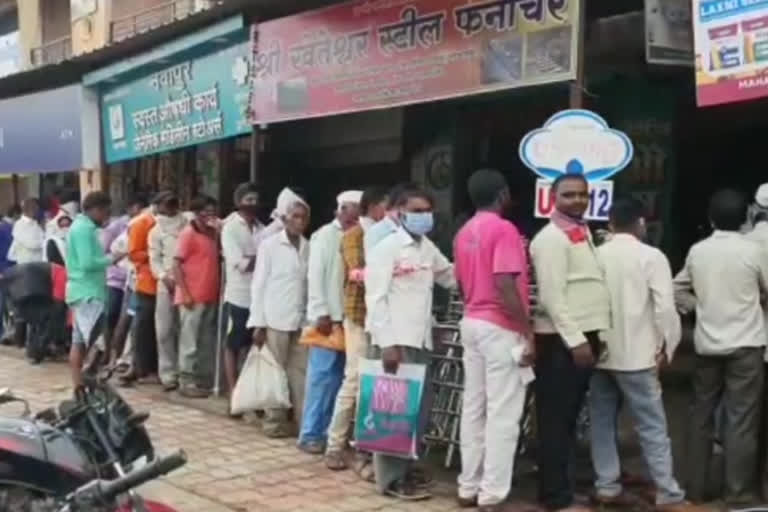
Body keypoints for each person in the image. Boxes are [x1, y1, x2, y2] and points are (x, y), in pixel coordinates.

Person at [590, 198, 693, 511]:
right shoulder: (652, 257)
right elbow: (664, 307)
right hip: (638, 355)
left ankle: (606, 487)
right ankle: (667, 492)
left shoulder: (595, 255)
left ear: (610, 224)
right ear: (641, 223)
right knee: (652, 425)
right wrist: (667, 347)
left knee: (602, 421)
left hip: (600, 354)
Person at [675, 189, 768, 506]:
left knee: (701, 415)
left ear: (710, 218)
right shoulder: (754, 252)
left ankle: (696, 489)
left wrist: (699, 307)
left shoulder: (698, 251)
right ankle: (738, 493)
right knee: (741, 421)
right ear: (747, 218)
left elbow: (678, 288)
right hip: (747, 346)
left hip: (707, 346)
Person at [365, 184, 455, 501]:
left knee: (415, 412)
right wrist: (387, 343)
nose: (424, 217)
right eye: (417, 211)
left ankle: (405, 469)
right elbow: (375, 300)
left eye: (427, 211)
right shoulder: (386, 249)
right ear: (400, 212)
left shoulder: (427, 247)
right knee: (391, 413)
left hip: (420, 339)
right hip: (395, 341)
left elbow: (450, 276)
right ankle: (390, 481)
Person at [453, 170, 535, 512]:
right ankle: (492, 495)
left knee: (473, 407)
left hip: (471, 321)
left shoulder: (462, 232)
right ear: (502, 195)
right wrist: (527, 331)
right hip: (500, 327)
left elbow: (460, 283)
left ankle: (467, 487)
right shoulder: (504, 230)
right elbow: (505, 283)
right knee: (503, 412)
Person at [529, 173, 610, 512]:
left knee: (567, 420)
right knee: (555, 421)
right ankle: (555, 497)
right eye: (569, 195)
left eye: (582, 194)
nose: (577, 200)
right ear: (553, 198)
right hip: (562, 341)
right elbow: (551, 297)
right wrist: (576, 341)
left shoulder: (580, 232)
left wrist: (596, 335)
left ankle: (561, 489)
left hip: (581, 336)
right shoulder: (550, 239)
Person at [324, 186, 390, 470]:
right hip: (360, 316)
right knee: (354, 380)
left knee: (372, 383)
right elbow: (357, 271)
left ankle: (364, 447)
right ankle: (335, 445)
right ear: (374, 206)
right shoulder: (354, 236)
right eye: (387, 206)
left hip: (381, 318)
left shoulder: (387, 235)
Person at [298, 190, 362, 454]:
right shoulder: (324, 236)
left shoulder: (360, 236)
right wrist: (320, 312)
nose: (357, 213)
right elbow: (315, 277)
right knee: (322, 378)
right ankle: (310, 433)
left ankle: (330, 433)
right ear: (342, 209)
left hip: (350, 319)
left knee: (342, 381)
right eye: (353, 208)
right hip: (328, 318)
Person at [248, 198, 311, 438]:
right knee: (275, 372)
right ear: (284, 219)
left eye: (304, 217)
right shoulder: (270, 245)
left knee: (300, 372)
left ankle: (303, 422)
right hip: (275, 317)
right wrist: (258, 323)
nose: (300, 222)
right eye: (295, 216)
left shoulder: (308, 246)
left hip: (301, 319)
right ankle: (274, 422)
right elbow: (259, 285)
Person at [65, 191, 114, 389]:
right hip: (88, 293)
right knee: (97, 343)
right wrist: (112, 258)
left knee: (79, 342)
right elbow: (87, 263)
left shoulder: (79, 227)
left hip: (80, 291)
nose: (106, 217)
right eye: (105, 212)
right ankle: (91, 385)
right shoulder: (84, 229)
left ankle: (78, 387)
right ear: (96, 209)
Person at [174, 195, 221, 398]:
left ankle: (201, 379)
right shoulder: (188, 234)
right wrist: (185, 293)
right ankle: (186, 380)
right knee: (190, 340)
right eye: (206, 211)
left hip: (209, 294)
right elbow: (176, 264)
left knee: (205, 339)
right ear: (197, 212)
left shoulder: (213, 234)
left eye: (212, 211)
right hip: (192, 295)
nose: (209, 215)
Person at [221, 183, 264, 396]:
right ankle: (232, 390)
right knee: (233, 344)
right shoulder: (230, 228)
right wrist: (262, 259)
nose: (252, 204)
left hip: (257, 297)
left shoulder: (262, 228)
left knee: (250, 345)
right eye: (248, 200)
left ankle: (245, 391)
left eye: (255, 200)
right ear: (238, 203)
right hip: (237, 295)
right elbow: (240, 263)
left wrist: (257, 260)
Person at [101, 195, 147, 364]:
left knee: (128, 319)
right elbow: (107, 250)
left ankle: (119, 357)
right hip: (115, 279)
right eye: (138, 207)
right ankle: (108, 354)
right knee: (112, 317)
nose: (140, 211)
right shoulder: (120, 227)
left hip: (134, 281)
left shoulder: (144, 224)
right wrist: (119, 261)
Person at [148, 192, 187, 392]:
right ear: (159, 206)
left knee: (185, 329)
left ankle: (184, 371)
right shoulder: (155, 230)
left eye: (173, 202)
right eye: (166, 203)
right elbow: (153, 259)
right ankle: (168, 373)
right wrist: (164, 277)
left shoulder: (187, 222)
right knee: (164, 330)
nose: (171, 206)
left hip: (188, 280)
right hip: (166, 282)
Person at [127, 193, 161, 383]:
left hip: (164, 283)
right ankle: (141, 368)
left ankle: (152, 367)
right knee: (143, 327)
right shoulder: (142, 223)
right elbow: (134, 253)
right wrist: (154, 253)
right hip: (147, 282)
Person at [9, 198, 44, 265]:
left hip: (37, 262)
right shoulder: (19, 224)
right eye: (35, 209)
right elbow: (31, 244)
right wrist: (42, 242)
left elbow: (42, 237)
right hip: (26, 263)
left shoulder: (35, 223)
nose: (37, 212)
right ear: (29, 210)